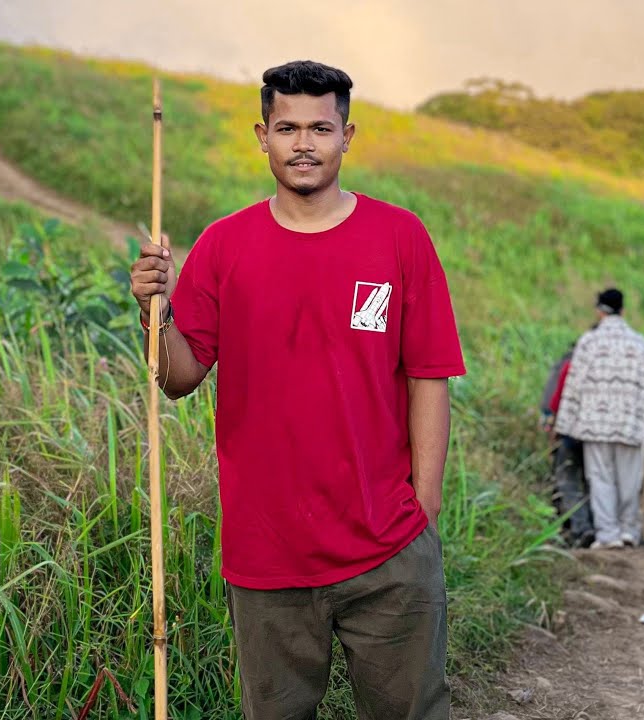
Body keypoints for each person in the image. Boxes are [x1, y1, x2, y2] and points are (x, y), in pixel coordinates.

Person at [128, 60, 465, 719]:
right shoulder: (225, 245)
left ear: (348, 134)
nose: (303, 143)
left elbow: (429, 376)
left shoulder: (400, 237)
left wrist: (422, 510)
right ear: (262, 136)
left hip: (388, 548)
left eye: (320, 127)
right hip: (266, 555)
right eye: (287, 127)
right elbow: (178, 378)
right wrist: (155, 311)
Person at [554, 288, 644, 549]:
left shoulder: (588, 342)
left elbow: (574, 384)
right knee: (630, 480)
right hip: (631, 424)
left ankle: (608, 534)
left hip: (595, 424)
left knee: (601, 478)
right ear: (623, 311)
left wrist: (566, 424)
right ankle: (629, 530)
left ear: (599, 310)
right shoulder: (641, 344)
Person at [542, 342, 594, 547]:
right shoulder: (604, 363)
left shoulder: (567, 364)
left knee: (568, 479)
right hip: (599, 435)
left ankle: (581, 527)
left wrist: (551, 422)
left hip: (569, 431)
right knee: (595, 480)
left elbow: (553, 399)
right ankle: (598, 528)